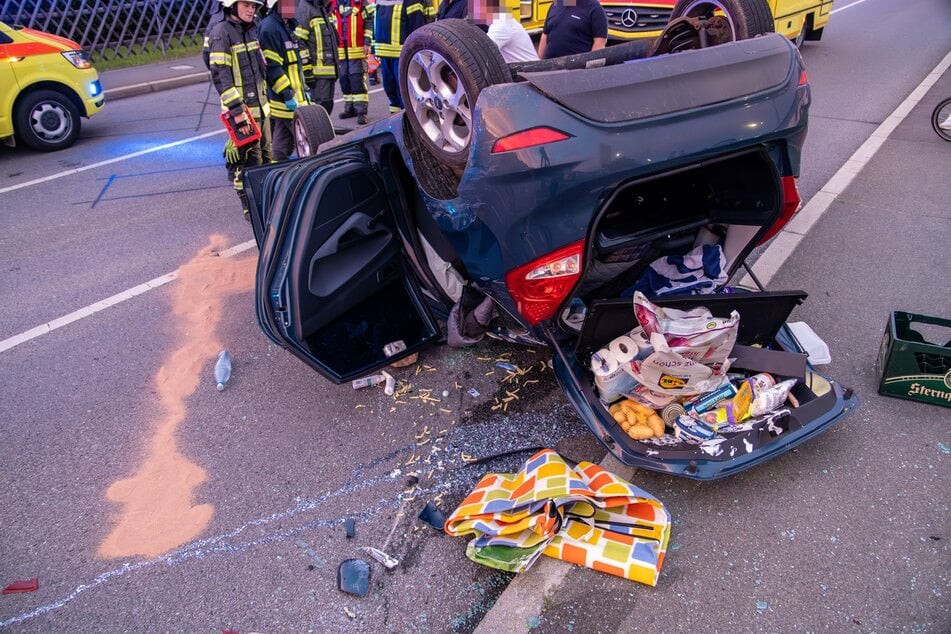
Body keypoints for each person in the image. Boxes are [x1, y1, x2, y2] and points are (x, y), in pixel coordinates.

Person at [209, 0, 272, 220]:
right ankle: (251, 207)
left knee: (266, 158)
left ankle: (268, 202)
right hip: (242, 114)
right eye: (246, 4)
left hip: (262, 110)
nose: (251, 10)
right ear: (232, 5)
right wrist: (237, 112)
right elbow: (221, 76)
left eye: (254, 6)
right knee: (248, 163)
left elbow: (259, 69)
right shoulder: (221, 33)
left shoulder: (250, 30)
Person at [259, 0, 311, 162]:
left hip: (295, 98)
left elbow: (294, 64)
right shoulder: (269, 28)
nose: (293, 7)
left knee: (283, 144)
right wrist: (287, 95)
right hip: (284, 100)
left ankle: (277, 170)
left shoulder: (286, 25)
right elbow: (273, 68)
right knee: (308, 141)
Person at [373, 0, 427, 113]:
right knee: (390, 87)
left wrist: (414, 52)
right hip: (385, 53)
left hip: (402, 55)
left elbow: (416, 27)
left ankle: (410, 119)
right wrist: (374, 47)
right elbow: (376, 22)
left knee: (405, 90)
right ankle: (396, 117)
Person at [333, 0, 373, 124]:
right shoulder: (333, 4)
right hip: (341, 51)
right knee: (344, 80)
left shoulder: (360, 3)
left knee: (357, 81)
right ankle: (349, 108)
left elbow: (369, 21)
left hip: (356, 50)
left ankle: (361, 112)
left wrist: (367, 41)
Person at [295, 0, 339, 115]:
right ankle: (320, 132)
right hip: (318, 72)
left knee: (327, 105)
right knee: (321, 107)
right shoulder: (305, 8)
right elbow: (299, 41)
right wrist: (307, 69)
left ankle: (324, 130)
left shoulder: (321, 8)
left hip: (330, 69)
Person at [471, 0, 538, 63]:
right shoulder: (502, 18)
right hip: (523, 70)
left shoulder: (501, 24)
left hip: (529, 72)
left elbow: (482, 51)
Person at [537, 0, 607, 60]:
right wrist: (539, 62)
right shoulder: (556, 4)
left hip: (576, 69)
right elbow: (545, 35)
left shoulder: (594, 8)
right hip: (549, 67)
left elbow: (600, 41)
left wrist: (590, 69)